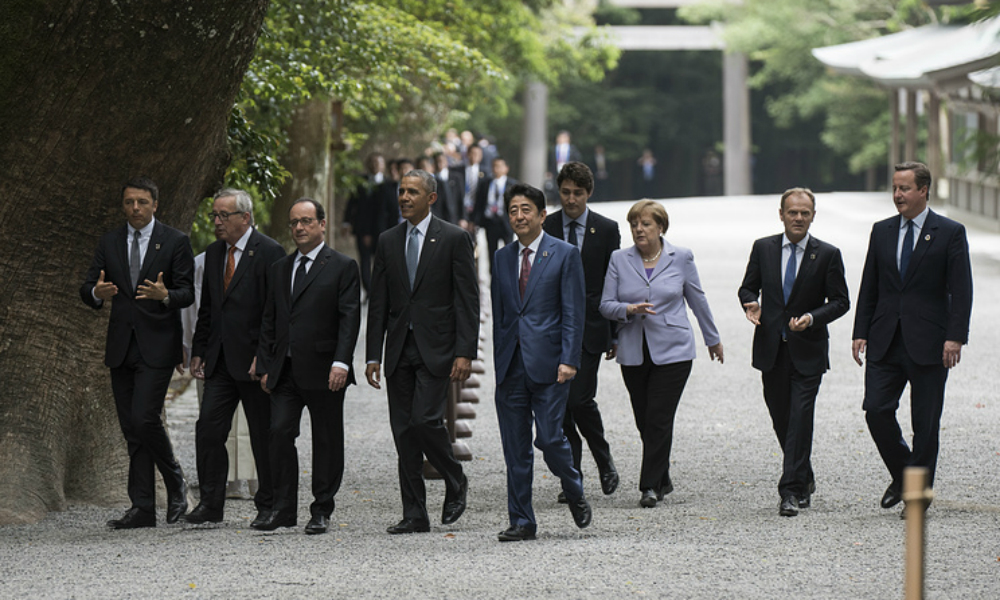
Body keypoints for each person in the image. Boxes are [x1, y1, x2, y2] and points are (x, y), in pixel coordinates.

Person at [852, 161, 973, 515]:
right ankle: (907, 476)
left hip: (931, 343)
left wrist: (955, 337)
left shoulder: (949, 232)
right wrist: (860, 331)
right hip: (885, 337)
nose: (897, 195)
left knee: (925, 423)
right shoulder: (882, 230)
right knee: (876, 410)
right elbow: (869, 284)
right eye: (894, 188)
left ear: (923, 190)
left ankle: (917, 497)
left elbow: (961, 290)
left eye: (904, 188)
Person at [366, 169, 479, 535]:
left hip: (438, 349)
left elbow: (467, 301)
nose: (404, 197)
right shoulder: (387, 240)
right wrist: (372, 356)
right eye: (401, 191)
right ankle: (415, 513)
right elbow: (379, 303)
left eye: (412, 192)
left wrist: (465, 352)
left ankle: (454, 476)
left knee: (425, 421)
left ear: (431, 198)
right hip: (399, 348)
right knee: (403, 432)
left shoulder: (454, 238)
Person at [80, 177, 195, 529]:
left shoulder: (175, 241)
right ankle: (143, 506)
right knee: (132, 428)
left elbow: (187, 292)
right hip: (120, 346)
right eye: (129, 202)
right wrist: (97, 293)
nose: (135, 208)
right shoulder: (110, 241)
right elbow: (87, 288)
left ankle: (175, 483)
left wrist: (166, 297)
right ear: (123, 205)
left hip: (158, 345)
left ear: (155, 204)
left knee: (145, 417)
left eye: (142, 202)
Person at [600, 200, 723, 508]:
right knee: (645, 418)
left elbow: (697, 299)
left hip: (674, 349)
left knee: (658, 417)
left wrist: (712, 339)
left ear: (661, 228)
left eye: (645, 224)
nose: (639, 230)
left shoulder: (680, 257)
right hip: (633, 349)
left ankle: (649, 486)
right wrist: (628, 309)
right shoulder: (618, 258)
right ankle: (663, 477)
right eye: (634, 225)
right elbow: (605, 304)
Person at [738, 188, 850, 517]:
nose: (798, 218)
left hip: (808, 350)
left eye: (804, 213)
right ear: (781, 214)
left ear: (813, 215)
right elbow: (747, 285)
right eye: (792, 212)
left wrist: (813, 318)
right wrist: (751, 302)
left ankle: (789, 490)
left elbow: (841, 301)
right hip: (771, 348)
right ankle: (805, 476)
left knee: (800, 419)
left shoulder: (827, 254)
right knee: (781, 418)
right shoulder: (764, 248)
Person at [253, 198, 361, 535]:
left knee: (327, 440)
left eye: (306, 221)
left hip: (325, 369)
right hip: (284, 370)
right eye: (294, 222)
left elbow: (349, 319)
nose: (299, 228)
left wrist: (342, 362)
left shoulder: (342, 266)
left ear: (322, 224)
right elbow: (270, 319)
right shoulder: (280, 269)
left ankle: (321, 509)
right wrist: (267, 363)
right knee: (279, 432)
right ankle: (283, 509)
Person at [491, 182, 592, 542]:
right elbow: (502, 313)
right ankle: (522, 521)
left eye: (526, 210)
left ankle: (573, 485)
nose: (519, 216)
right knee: (515, 449)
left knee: (549, 439)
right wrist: (499, 361)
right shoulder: (502, 257)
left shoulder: (563, 254)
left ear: (542, 215)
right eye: (513, 210)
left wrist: (569, 359)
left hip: (550, 365)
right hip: (511, 366)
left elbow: (573, 311)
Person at [185, 189, 286, 526]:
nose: (216, 221)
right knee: (209, 431)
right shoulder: (214, 254)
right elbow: (209, 308)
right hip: (220, 362)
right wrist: (199, 350)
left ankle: (269, 504)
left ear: (245, 217)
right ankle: (211, 504)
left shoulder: (270, 252)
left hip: (255, 363)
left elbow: (276, 312)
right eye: (214, 215)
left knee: (262, 434)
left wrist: (266, 358)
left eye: (223, 215)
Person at [542, 162, 621, 502]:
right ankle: (571, 477)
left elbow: (615, 280)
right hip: (552, 328)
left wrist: (614, 332)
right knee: (559, 406)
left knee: (580, 399)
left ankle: (603, 459)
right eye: (565, 192)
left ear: (589, 193)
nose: (571, 199)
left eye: (577, 193)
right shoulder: (546, 225)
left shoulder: (606, 229)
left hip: (590, 325)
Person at [343, 152, 392, 293]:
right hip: (362, 229)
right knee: (364, 260)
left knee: (381, 262)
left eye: (378, 162)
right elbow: (351, 204)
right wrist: (346, 223)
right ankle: (369, 291)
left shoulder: (389, 184)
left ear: (383, 166)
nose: (375, 165)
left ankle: (380, 291)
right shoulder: (360, 182)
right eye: (372, 162)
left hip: (383, 231)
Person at [474, 156, 516, 271]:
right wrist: (476, 221)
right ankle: (494, 276)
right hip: (490, 222)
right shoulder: (485, 183)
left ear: (506, 168)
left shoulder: (512, 185)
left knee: (509, 250)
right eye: (494, 166)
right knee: (491, 252)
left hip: (506, 222)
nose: (496, 169)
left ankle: (508, 275)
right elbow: (479, 203)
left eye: (499, 166)